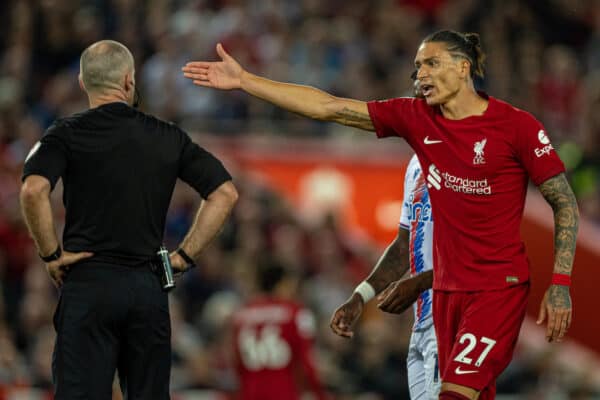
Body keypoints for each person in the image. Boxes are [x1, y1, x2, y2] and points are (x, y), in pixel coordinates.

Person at [182, 29, 579, 400]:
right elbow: (331, 107)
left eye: (431, 63)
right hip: (445, 295)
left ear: (463, 67)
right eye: (417, 67)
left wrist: (560, 283)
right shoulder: (417, 118)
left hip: (498, 289)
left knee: (454, 395)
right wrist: (247, 81)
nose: (420, 74)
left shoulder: (517, 127)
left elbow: (564, 202)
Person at [20, 40, 238, 400]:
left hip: (88, 282)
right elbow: (224, 193)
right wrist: (182, 258)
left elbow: (32, 191)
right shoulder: (168, 136)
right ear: (128, 81)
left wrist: (50, 255)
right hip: (148, 285)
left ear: (82, 83)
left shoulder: (65, 133)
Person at [331, 153, 439, 400]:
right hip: (423, 324)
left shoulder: (468, 157)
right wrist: (361, 296)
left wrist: (419, 282)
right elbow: (403, 246)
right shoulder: (415, 164)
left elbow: (477, 252)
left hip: (456, 319)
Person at [230, 260, 327, 400]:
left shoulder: (241, 314)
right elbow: (307, 362)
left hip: (250, 392)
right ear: (282, 283)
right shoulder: (296, 312)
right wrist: (320, 394)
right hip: (283, 392)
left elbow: (237, 362)